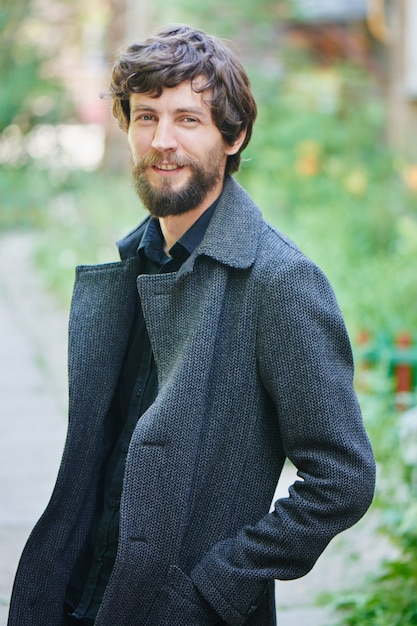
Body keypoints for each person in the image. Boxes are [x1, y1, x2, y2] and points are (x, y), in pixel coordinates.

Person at [8, 24, 376, 626]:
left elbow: (343, 478)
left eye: (188, 119)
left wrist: (214, 590)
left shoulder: (279, 282)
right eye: (146, 116)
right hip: (79, 598)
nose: (162, 140)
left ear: (233, 138)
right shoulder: (137, 262)